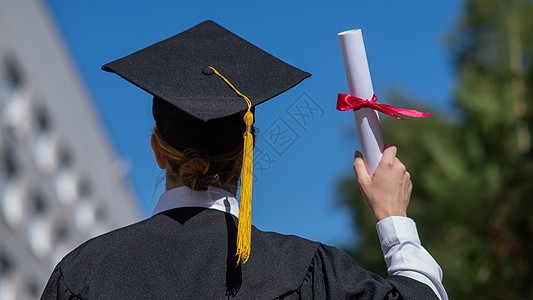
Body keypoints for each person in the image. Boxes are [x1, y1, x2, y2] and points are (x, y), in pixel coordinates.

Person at [41, 20, 447, 299]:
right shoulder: (305, 273)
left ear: (156, 149)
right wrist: (392, 216)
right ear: (247, 149)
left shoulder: (82, 275)